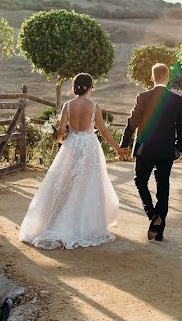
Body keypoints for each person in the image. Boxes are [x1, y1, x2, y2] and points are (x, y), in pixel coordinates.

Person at [19, 73, 130, 249]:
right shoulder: (94, 107)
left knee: (65, 182)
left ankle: (56, 221)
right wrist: (118, 148)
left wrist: (62, 141)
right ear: (89, 87)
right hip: (89, 147)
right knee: (87, 185)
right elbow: (104, 132)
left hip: (71, 146)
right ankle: (83, 224)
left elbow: (61, 131)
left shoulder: (67, 106)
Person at [120, 62, 182, 241]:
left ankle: (152, 215)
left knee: (140, 181)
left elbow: (132, 122)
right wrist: (180, 147)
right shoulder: (176, 100)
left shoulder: (142, 97)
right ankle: (159, 229)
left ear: (152, 77)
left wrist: (124, 144)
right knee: (163, 186)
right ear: (167, 77)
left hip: (145, 149)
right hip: (166, 150)